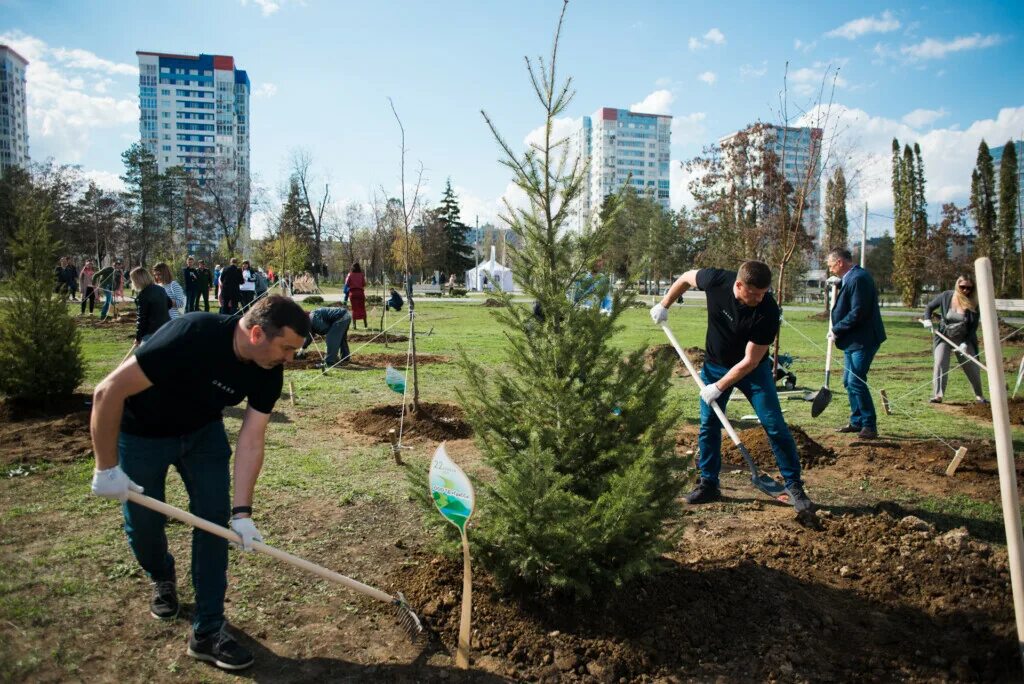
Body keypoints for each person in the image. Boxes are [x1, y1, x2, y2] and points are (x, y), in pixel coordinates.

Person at [88, 295, 309, 671]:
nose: (290, 359)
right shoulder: (191, 334)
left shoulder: (268, 369)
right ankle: (161, 575)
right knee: (144, 525)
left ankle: (207, 629)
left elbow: (252, 437)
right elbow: (107, 391)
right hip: (142, 435)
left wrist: (242, 513)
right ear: (257, 333)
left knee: (214, 523)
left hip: (202, 435)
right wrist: (106, 468)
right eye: (287, 348)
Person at [650, 261, 812, 510]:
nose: (760, 298)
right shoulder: (716, 280)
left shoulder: (768, 312)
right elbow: (685, 277)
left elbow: (750, 361)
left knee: (774, 425)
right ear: (738, 285)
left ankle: (793, 485)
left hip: (753, 373)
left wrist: (719, 386)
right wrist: (664, 304)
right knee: (709, 425)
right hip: (715, 365)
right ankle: (709, 483)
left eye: (764, 292)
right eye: (755, 293)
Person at [826, 247, 887, 440]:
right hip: (853, 341)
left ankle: (869, 425)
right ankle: (857, 421)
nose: (830, 270)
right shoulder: (851, 278)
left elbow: (858, 312)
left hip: (863, 339)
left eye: (831, 266)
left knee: (856, 381)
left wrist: (837, 329)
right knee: (848, 381)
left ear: (840, 262)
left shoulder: (859, 278)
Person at [922, 275, 986, 404]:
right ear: (958, 285)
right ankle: (938, 395)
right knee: (940, 363)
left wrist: (964, 343)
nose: (965, 290)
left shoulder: (974, 303)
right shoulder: (947, 296)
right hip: (944, 337)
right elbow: (929, 307)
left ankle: (979, 395)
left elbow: (973, 327)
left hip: (964, 339)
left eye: (969, 288)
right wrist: (927, 319)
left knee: (972, 366)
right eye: (963, 287)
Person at [129, 266, 172, 348]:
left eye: (133, 280)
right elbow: (169, 304)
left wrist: (138, 338)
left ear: (138, 280)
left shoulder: (143, 295)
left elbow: (141, 319)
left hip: (151, 332)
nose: (132, 282)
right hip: (166, 327)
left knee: (144, 357)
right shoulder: (160, 289)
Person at [345, 262, 367, 329]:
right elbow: (364, 284)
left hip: (353, 293)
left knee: (354, 309)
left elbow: (346, 283)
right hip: (360, 293)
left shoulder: (350, 274)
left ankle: (354, 325)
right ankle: (365, 323)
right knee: (362, 308)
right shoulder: (361, 275)